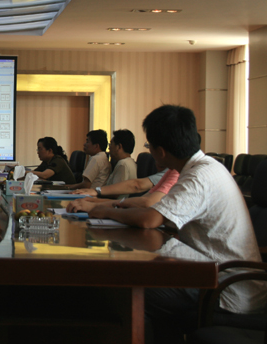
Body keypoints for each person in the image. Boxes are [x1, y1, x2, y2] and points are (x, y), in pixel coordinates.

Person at [86, 105, 266, 343]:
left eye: (149, 146)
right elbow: (161, 214)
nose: (149, 151)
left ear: (160, 151)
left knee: (127, 294)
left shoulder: (200, 176)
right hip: (211, 275)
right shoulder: (200, 168)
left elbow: (150, 219)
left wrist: (104, 210)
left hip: (227, 291)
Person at [66, 168, 179, 213]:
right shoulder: (171, 171)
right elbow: (141, 201)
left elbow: (146, 203)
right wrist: (98, 202)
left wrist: (97, 205)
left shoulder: (177, 171)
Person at [102, 129, 137, 198]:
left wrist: (97, 193)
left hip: (114, 203)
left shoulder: (123, 164)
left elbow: (115, 193)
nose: (109, 148)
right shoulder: (130, 162)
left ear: (119, 147)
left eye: (111, 144)